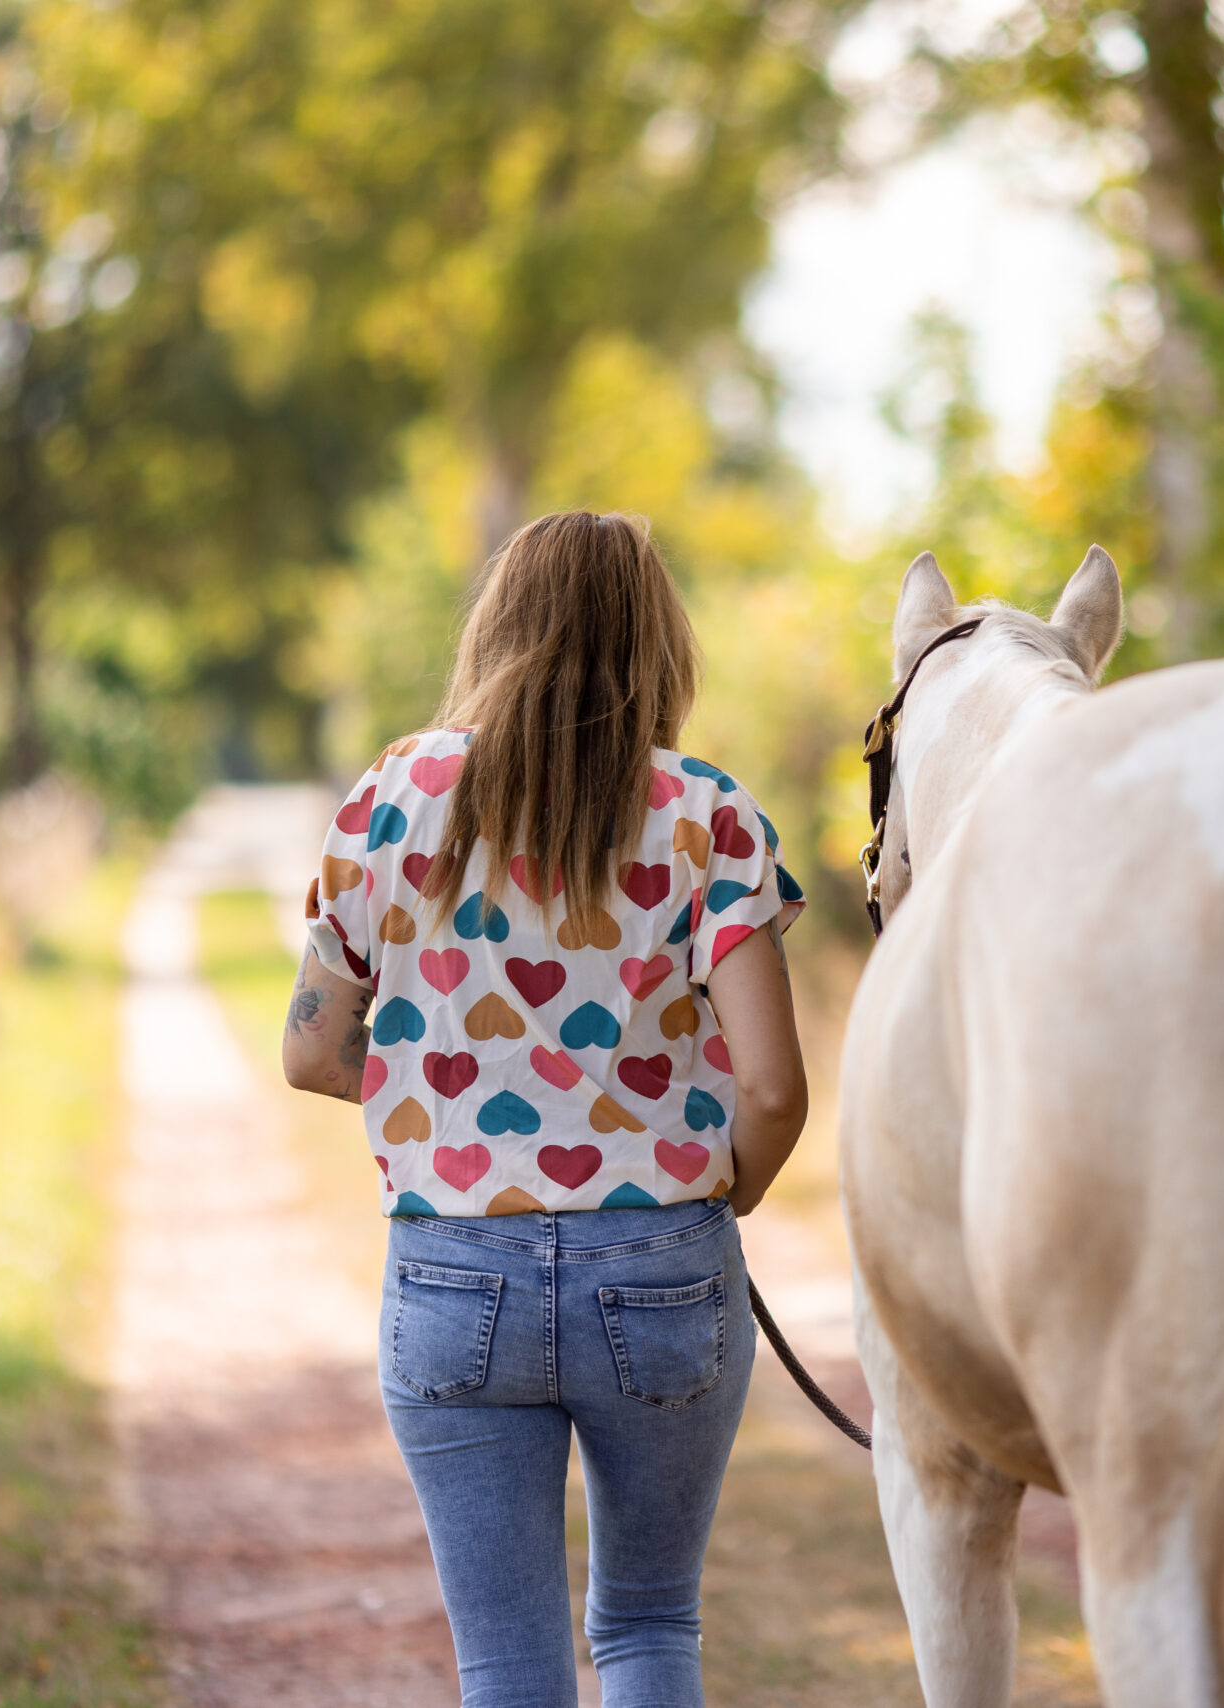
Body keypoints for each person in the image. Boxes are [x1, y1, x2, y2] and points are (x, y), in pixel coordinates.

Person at [280, 508, 809, 1708]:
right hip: (665, 1263)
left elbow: (311, 1053)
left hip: (454, 1276)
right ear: (659, 642)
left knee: (506, 1668)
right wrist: (720, 1188)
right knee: (648, 1625)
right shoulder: (707, 813)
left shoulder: (389, 797)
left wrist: (458, 1092)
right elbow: (774, 1088)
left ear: (500, 627)